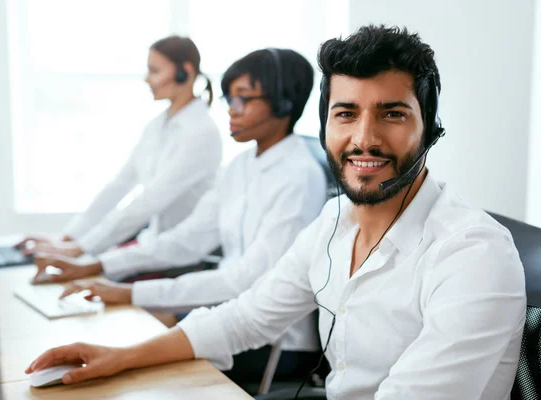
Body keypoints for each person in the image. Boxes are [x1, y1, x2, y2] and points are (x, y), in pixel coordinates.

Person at [26, 26, 526, 399]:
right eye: (346, 113)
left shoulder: (472, 253)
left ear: (430, 127)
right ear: (326, 124)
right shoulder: (333, 222)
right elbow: (243, 320)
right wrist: (118, 358)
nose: (364, 139)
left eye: (392, 114)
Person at [31, 48, 328, 384]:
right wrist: (101, 267)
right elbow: (186, 239)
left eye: (242, 99)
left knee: (134, 362)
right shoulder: (240, 166)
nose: (231, 110)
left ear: (283, 103)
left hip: (273, 342)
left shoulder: (299, 176)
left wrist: (131, 292)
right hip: (224, 316)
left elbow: (246, 280)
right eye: (229, 99)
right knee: (120, 337)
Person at [15, 36, 222, 259]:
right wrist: (68, 238)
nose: (146, 79)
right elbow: (119, 185)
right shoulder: (158, 126)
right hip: (154, 244)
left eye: (154, 71)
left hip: (186, 255)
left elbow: (148, 202)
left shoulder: (201, 133)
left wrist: (82, 248)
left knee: (86, 274)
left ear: (185, 72)